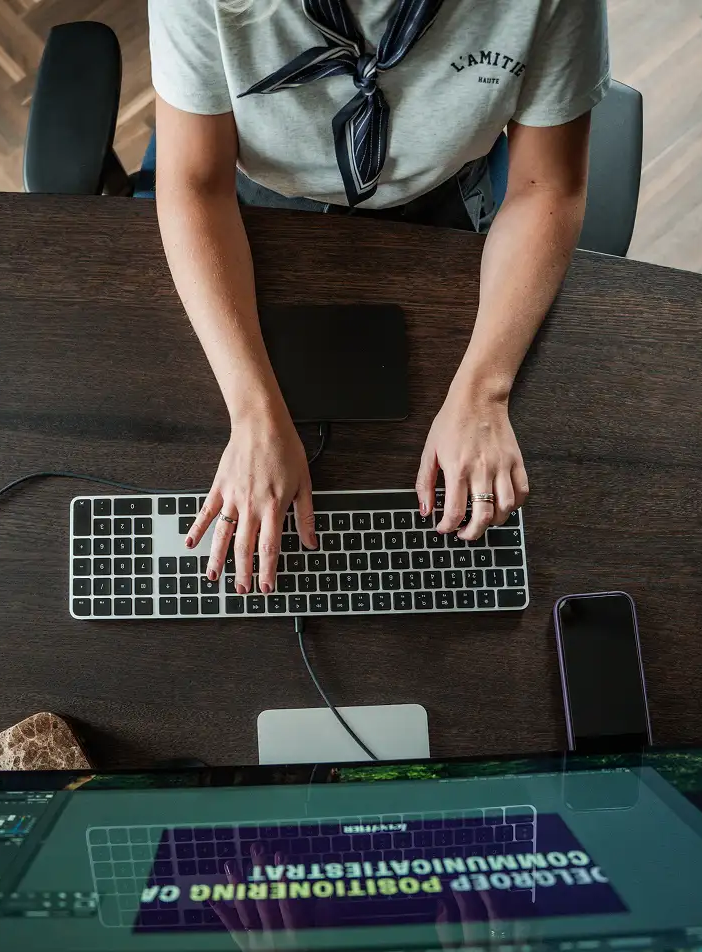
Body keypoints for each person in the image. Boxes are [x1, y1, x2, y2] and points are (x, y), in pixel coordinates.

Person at [148, 0, 610, 596]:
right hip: (259, 206)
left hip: (439, 201)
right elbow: (195, 183)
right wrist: (252, 415)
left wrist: (484, 392)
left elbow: (547, 184)